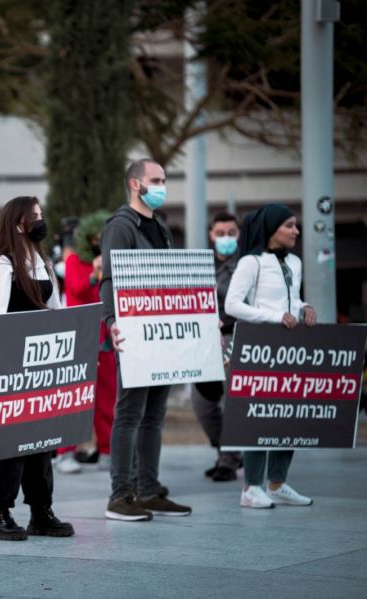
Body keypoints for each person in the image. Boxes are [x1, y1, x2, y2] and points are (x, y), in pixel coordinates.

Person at [0, 196, 75, 541]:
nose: (41, 221)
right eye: (35, 215)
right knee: (8, 444)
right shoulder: (2, 266)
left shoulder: (43, 264)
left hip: (40, 364)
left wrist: (72, 352)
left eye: (41, 214)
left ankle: (41, 511)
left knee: (41, 440)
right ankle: (0, 515)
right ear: (18, 223)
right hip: (10, 362)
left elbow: (57, 312)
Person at [99, 158, 192, 522]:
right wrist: (111, 321)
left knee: (154, 415)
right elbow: (109, 279)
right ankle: (120, 495)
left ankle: (148, 490)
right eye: (156, 180)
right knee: (129, 413)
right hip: (134, 333)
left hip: (161, 334)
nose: (162, 186)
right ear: (135, 184)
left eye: (164, 180)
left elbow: (171, 279)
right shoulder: (120, 226)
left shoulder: (161, 225)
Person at [225, 203, 317, 509]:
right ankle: (251, 487)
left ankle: (277, 483)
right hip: (259, 349)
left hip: (289, 348)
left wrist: (304, 307)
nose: (296, 231)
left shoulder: (295, 262)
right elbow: (232, 305)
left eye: (295, 225)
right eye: (289, 225)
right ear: (270, 229)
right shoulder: (252, 262)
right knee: (260, 417)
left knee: (288, 415)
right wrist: (273, 317)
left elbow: (291, 299)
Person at [56, 210, 116, 475]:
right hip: (79, 340)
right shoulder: (74, 262)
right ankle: (65, 453)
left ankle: (107, 451)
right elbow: (77, 289)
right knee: (73, 399)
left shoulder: (110, 261)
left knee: (106, 401)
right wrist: (94, 274)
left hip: (105, 341)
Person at [193, 212, 243, 482]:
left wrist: (217, 291)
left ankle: (229, 460)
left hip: (234, 336)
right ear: (211, 235)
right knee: (202, 403)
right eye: (220, 233)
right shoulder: (201, 264)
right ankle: (224, 450)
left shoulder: (246, 265)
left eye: (231, 233)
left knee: (233, 401)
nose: (226, 238)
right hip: (205, 341)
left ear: (239, 234)